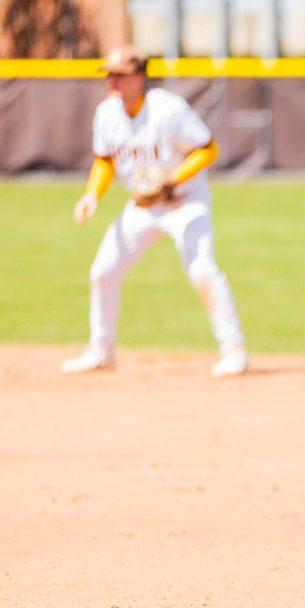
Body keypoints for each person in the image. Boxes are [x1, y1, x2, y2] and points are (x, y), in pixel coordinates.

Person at [62, 46, 248, 378]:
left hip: (185, 202)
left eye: (119, 75)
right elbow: (105, 159)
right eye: (109, 75)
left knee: (202, 270)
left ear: (139, 77)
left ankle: (234, 351)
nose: (112, 81)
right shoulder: (106, 113)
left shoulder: (169, 109)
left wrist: (172, 179)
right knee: (104, 271)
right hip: (142, 206)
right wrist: (92, 194)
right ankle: (101, 351)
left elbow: (208, 148)